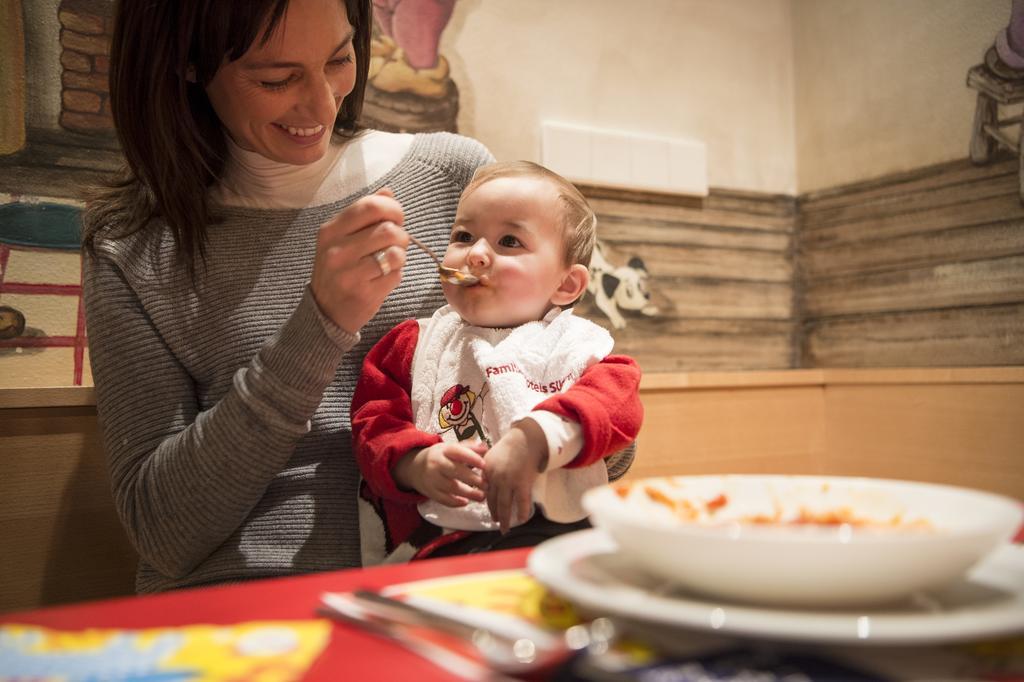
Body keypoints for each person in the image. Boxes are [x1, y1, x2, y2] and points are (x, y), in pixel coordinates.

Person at [80, 0, 498, 594]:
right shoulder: (134, 242)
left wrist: (562, 429)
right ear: (189, 65)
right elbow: (164, 533)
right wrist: (320, 323)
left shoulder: (454, 176)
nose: (323, 104)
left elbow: (594, 429)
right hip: (247, 612)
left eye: (339, 58)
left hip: (451, 588)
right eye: (276, 78)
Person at [351, 161, 643, 564]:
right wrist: (416, 464)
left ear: (566, 285)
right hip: (436, 544)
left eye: (509, 241)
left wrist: (534, 439)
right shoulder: (412, 345)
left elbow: (617, 407)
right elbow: (374, 425)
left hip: (561, 540)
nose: (476, 254)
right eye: (464, 235)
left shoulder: (577, 347)